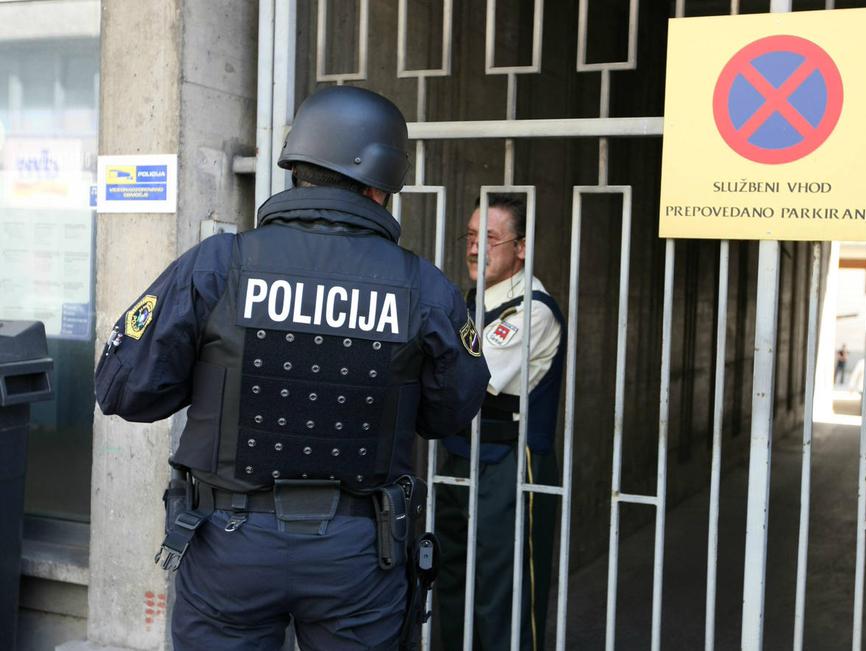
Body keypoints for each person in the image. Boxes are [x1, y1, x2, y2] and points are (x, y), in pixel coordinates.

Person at [94, 86, 490, 651]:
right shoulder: (423, 287)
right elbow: (451, 413)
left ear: (297, 169)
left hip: (229, 545)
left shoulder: (219, 266)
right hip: (359, 553)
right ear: (380, 185)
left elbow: (124, 390)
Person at [435, 194, 565, 651]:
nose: (475, 248)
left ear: (521, 247)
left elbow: (471, 376)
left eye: (489, 238)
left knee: (501, 591)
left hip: (511, 464)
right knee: (451, 578)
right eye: (471, 237)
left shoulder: (532, 310)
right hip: (459, 454)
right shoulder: (471, 302)